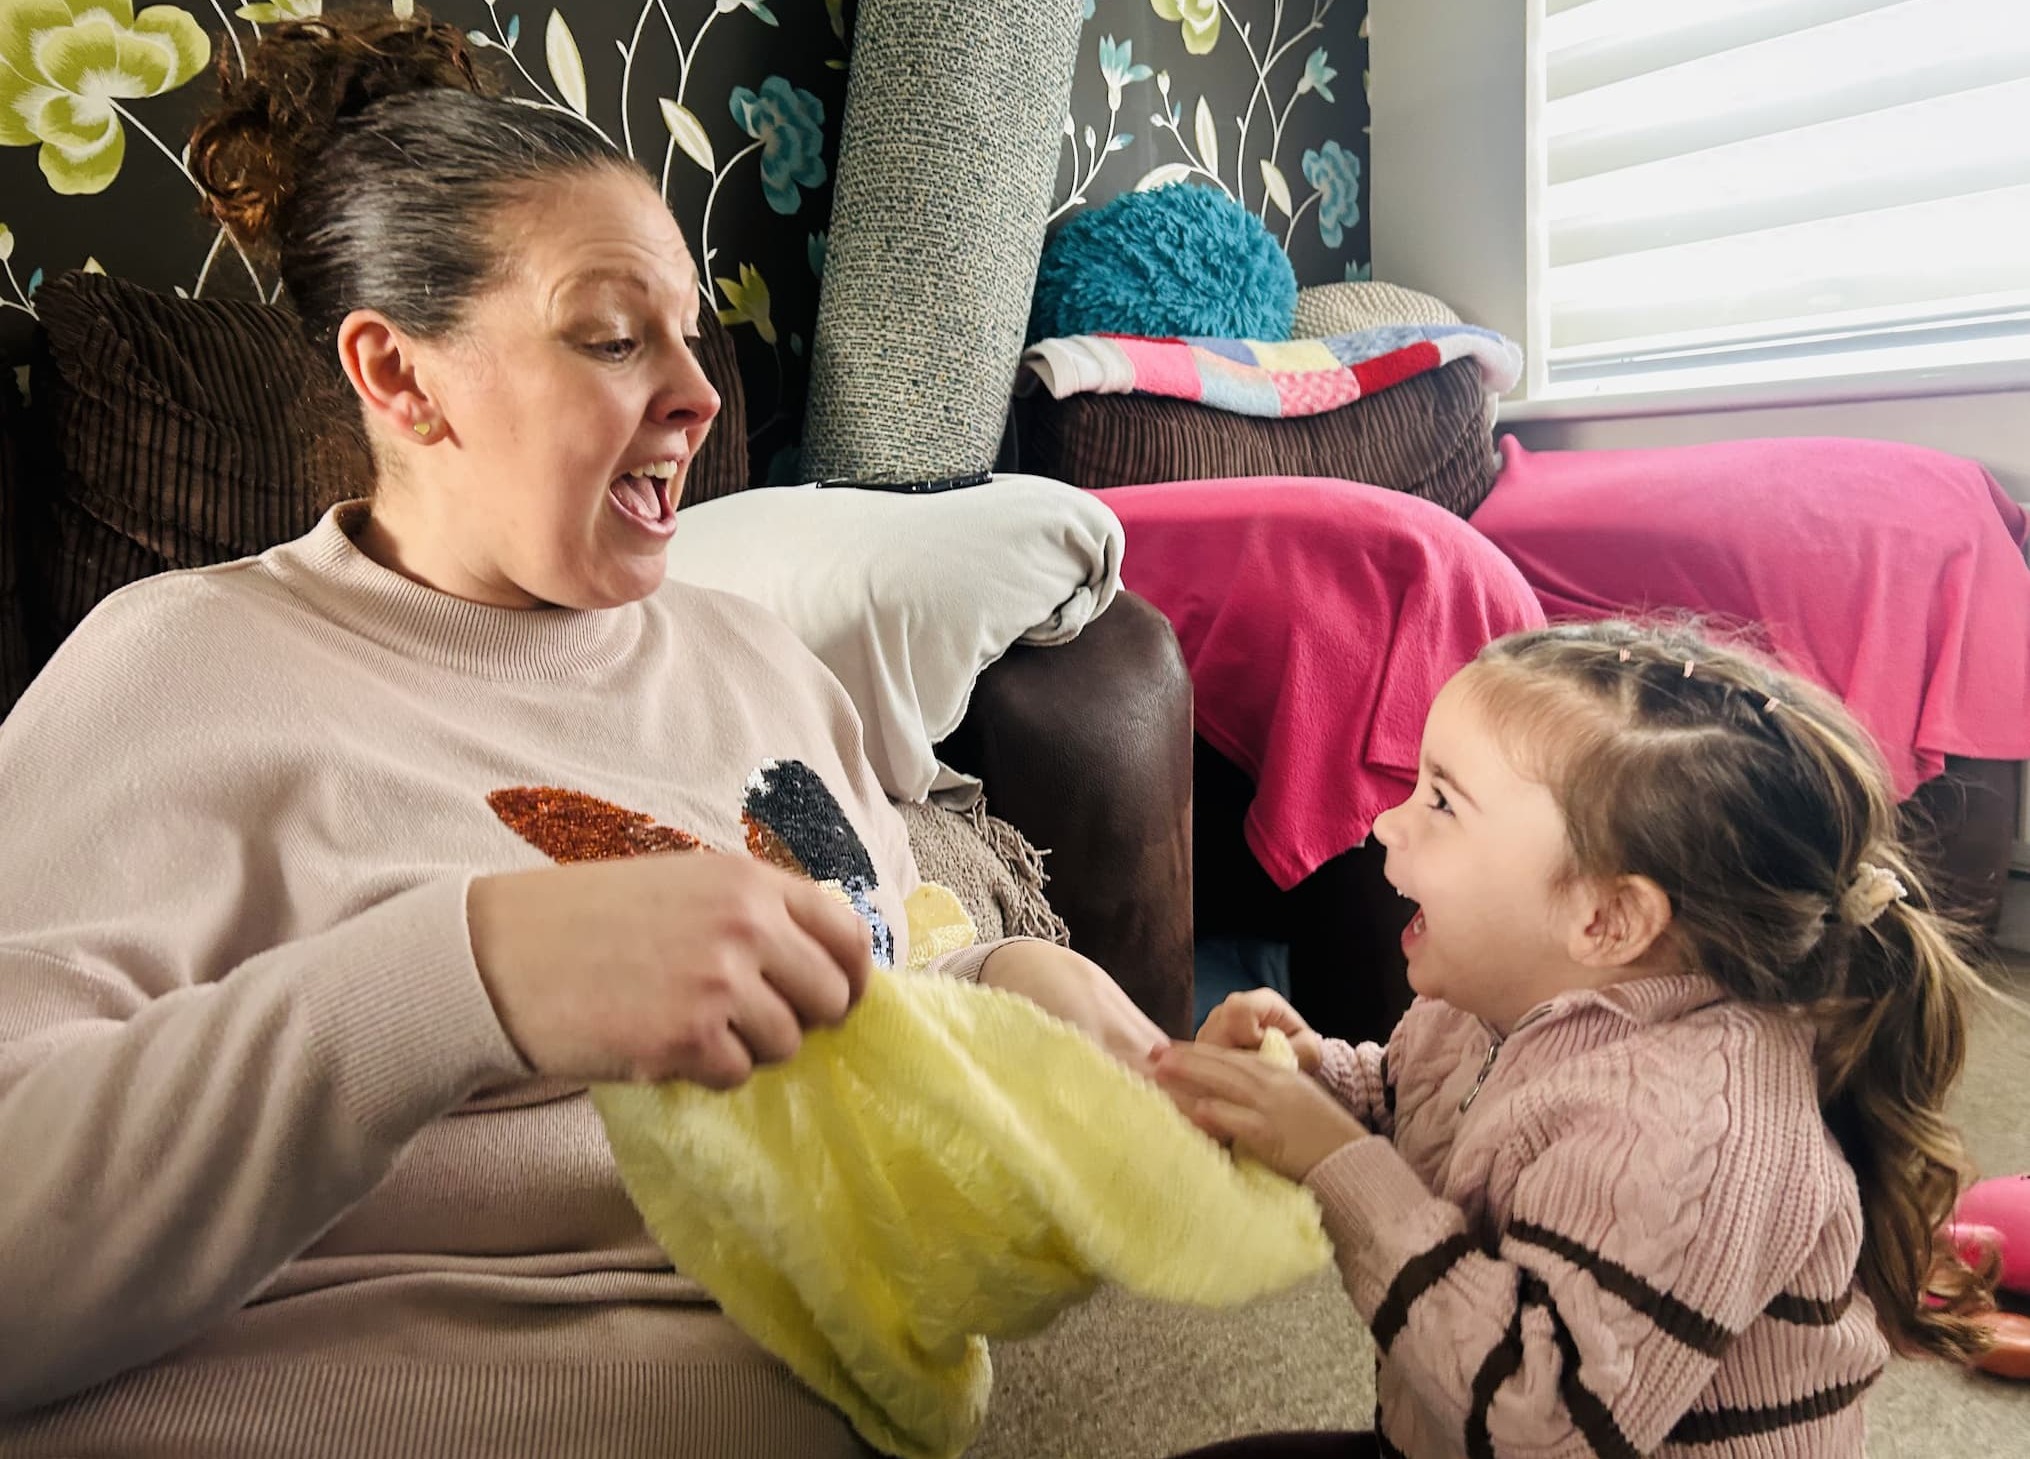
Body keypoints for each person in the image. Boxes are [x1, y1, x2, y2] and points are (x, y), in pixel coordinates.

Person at [0, 11, 1165, 1453]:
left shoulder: (750, 657)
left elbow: (873, 987)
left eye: (688, 331)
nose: (695, 394)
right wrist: (469, 970)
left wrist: (1018, 982)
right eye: (613, 339)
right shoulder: (173, 672)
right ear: (399, 377)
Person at [1152, 620, 1995, 1458]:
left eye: (1442, 801)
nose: (1386, 825)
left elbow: (1542, 1423)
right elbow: (1445, 1113)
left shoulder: (1693, 1129)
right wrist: (1320, 1084)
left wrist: (1339, 1160)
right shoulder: (1491, 995)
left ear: (1606, 919)